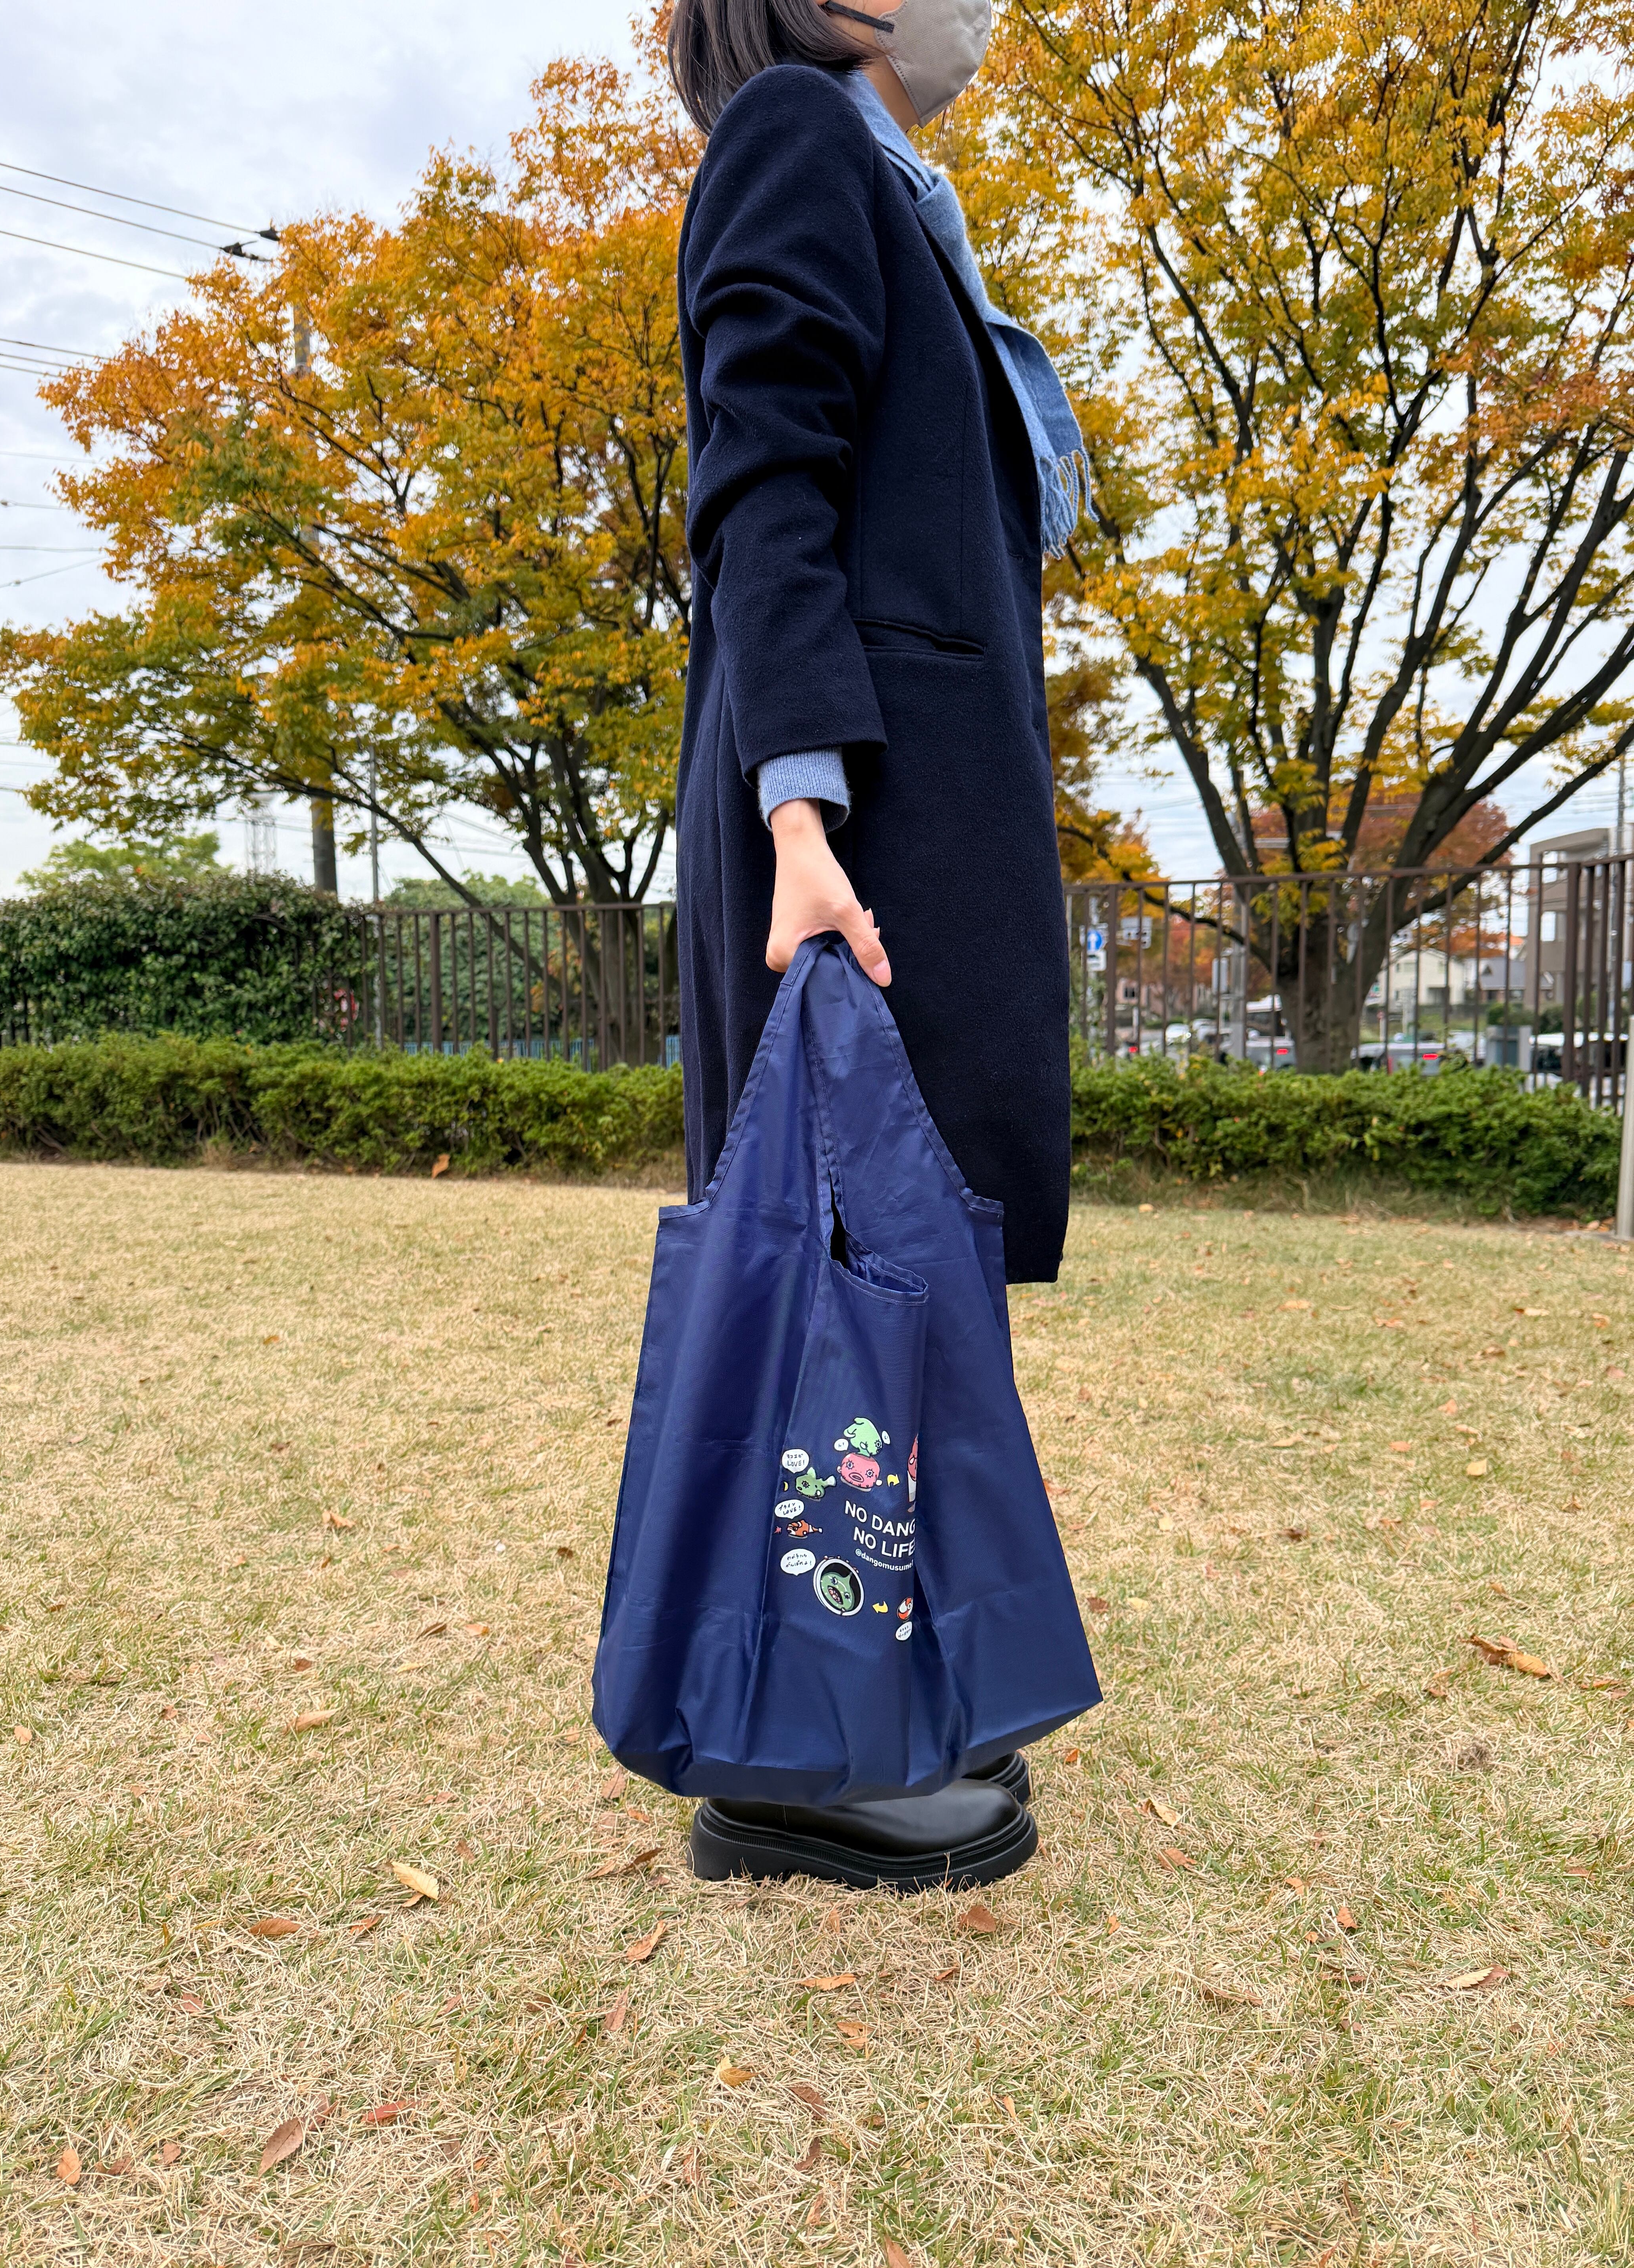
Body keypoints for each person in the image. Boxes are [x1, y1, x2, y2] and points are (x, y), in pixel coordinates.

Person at [666, 0, 1090, 1889]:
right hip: (846, 829)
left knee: (901, 1265)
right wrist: (799, 819)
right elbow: (761, 478)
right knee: (841, 1266)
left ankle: (872, 1694)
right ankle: (797, 1762)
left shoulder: (895, 186)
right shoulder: (799, 133)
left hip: (902, 819)